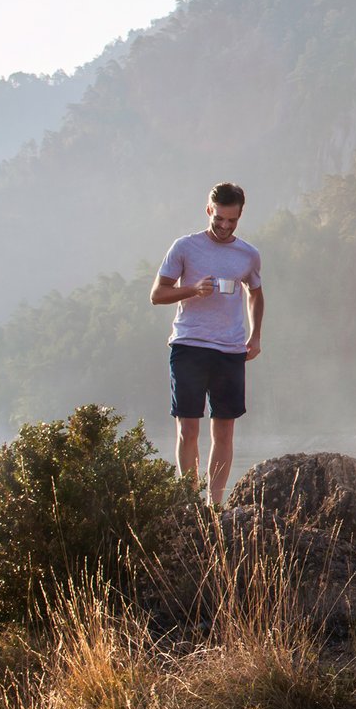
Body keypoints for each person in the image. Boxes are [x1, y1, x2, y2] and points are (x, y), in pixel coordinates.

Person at [149, 182, 264, 505]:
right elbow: (157, 295)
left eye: (233, 220)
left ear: (240, 215)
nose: (226, 227)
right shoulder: (184, 247)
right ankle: (190, 501)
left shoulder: (248, 254)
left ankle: (214, 504)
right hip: (189, 345)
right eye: (220, 219)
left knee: (224, 431)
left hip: (230, 350)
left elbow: (255, 293)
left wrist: (254, 336)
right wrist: (192, 289)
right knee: (188, 428)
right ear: (209, 210)